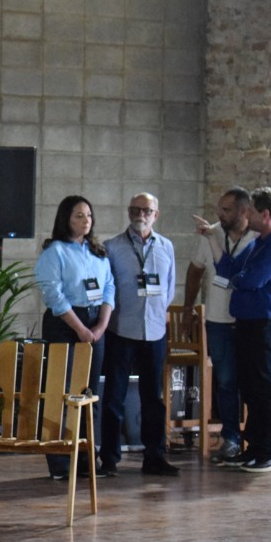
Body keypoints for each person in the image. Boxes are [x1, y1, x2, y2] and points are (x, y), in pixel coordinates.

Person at [196, 186, 271, 473]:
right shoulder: (258, 244)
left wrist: (237, 279)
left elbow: (252, 280)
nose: (246, 215)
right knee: (251, 388)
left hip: (266, 325)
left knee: (266, 386)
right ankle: (253, 447)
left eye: (251, 211)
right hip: (245, 323)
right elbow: (230, 270)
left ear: (265, 215)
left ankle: (270, 450)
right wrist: (212, 238)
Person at [35, 195, 115, 479]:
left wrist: (101, 325)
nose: (85, 221)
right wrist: (80, 328)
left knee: (88, 393)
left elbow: (109, 288)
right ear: (65, 219)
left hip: (95, 323)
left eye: (89, 215)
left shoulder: (97, 252)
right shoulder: (54, 251)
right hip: (65, 323)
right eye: (79, 216)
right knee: (61, 391)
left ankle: (86, 459)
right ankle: (59, 462)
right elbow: (53, 294)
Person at [99, 192, 178, 476]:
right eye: (135, 209)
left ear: (156, 215)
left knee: (153, 398)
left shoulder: (166, 246)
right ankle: (109, 459)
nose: (140, 215)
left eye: (146, 210)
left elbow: (169, 287)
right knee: (114, 397)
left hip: (155, 331)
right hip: (121, 329)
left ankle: (154, 457)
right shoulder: (112, 247)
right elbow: (107, 288)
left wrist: (157, 312)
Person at [183, 187, 255, 464]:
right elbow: (195, 271)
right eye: (219, 209)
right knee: (226, 382)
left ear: (244, 212)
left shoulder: (257, 237)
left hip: (250, 321)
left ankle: (257, 441)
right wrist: (188, 307)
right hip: (218, 320)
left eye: (226, 209)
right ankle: (231, 439)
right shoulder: (210, 233)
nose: (220, 214)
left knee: (253, 382)